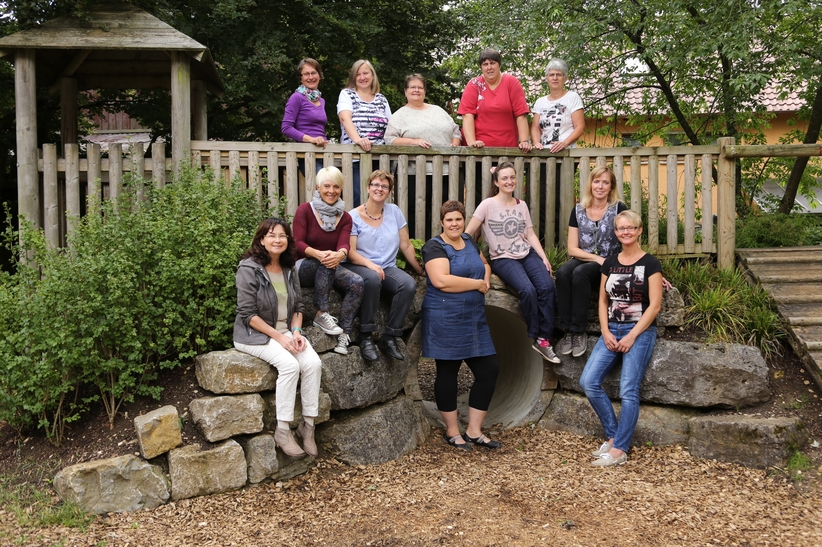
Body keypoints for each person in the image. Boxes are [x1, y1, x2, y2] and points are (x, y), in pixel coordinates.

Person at [233, 218, 322, 459]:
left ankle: (308, 426)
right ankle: (282, 432)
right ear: (261, 240)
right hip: (255, 334)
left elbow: (298, 306)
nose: (277, 240)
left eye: (282, 236)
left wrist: (296, 332)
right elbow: (247, 314)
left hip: (286, 332)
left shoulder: (289, 268)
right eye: (271, 235)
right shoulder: (248, 268)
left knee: (313, 363)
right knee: (290, 365)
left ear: (287, 240)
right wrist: (280, 338)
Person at [580, 210, 663, 467]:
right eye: (620, 228)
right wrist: (605, 331)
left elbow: (655, 306)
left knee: (629, 390)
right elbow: (604, 299)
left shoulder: (650, 263)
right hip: (612, 329)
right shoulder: (610, 262)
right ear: (616, 232)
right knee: (588, 381)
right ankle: (614, 436)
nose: (625, 232)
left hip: (639, 333)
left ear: (639, 231)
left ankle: (620, 450)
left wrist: (632, 335)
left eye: (630, 228)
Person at [422, 200, 500, 451]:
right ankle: (452, 431)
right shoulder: (434, 246)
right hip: (446, 316)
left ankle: (475, 431)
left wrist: (485, 280)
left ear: (463, 220)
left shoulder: (469, 240)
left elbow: (485, 265)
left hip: (474, 318)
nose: (454, 224)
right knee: (448, 373)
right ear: (442, 222)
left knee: (489, 370)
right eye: (449, 220)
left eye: (458, 219)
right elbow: (441, 281)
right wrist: (476, 285)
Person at [466, 161, 560, 364]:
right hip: (502, 258)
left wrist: (544, 257)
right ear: (497, 182)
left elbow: (530, 234)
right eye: (504, 178)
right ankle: (534, 333)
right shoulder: (487, 204)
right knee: (527, 290)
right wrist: (480, 259)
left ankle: (544, 339)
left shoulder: (521, 205)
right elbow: (467, 234)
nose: (509, 181)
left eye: (512, 177)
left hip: (526, 253)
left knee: (546, 286)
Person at [346, 170, 424, 361]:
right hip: (359, 265)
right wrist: (370, 265)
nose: (379, 189)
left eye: (384, 186)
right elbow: (350, 251)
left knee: (408, 284)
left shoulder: (394, 212)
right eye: (375, 184)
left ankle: (389, 337)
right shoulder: (353, 216)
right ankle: (366, 337)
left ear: (388, 191)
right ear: (368, 187)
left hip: (387, 267)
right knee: (372, 279)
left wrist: (420, 269)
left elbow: (405, 244)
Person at [555, 166, 627, 358]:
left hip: (609, 263)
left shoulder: (618, 209)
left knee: (580, 273)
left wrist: (645, 269)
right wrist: (596, 258)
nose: (600, 186)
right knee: (563, 273)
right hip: (586, 258)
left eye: (605, 182)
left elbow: (629, 237)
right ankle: (567, 330)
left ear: (611, 187)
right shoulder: (578, 210)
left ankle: (579, 331)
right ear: (590, 184)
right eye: (596, 181)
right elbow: (572, 249)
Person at [293, 166, 364, 356]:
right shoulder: (305, 210)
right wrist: (318, 253)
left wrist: (340, 254)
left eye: (336, 187)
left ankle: (344, 335)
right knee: (326, 260)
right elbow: (297, 243)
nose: (331, 191)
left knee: (357, 282)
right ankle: (321, 314)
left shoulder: (346, 217)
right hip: (302, 267)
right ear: (318, 187)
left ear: (341, 189)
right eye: (326, 186)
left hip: (328, 264)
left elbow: (344, 245)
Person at [337, 60, 392, 206]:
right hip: (355, 158)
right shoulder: (347, 94)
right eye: (358, 74)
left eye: (365, 73)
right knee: (357, 196)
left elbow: (391, 127)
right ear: (353, 78)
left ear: (372, 75)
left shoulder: (381, 99)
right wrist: (358, 140)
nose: (362, 77)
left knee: (380, 198)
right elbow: (344, 118)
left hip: (380, 159)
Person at [458, 48, 532, 151]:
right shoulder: (474, 84)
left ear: (499, 65)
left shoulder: (512, 83)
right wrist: (471, 143)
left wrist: (524, 141)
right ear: (481, 67)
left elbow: (521, 114)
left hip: (508, 150)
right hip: (479, 151)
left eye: (492, 63)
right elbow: (467, 115)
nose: (489, 67)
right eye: (485, 64)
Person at [385, 74, 461, 148]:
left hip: (447, 159)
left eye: (420, 88)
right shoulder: (399, 115)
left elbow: (456, 132)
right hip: (414, 160)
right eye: (412, 87)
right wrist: (414, 142)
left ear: (424, 91)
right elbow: (389, 139)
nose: (416, 90)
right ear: (405, 91)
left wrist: (454, 146)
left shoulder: (438, 110)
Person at [281, 58, 328, 174]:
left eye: (314, 73)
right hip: (308, 155)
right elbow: (286, 128)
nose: (311, 77)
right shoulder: (297, 98)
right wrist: (311, 139)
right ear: (300, 78)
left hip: (325, 153)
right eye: (306, 74)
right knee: (323, 187)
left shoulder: (321, 101)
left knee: (329, 190)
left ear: (319, 75)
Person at [530, 58, 585, 153]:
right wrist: (536, 143)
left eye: (558, 74)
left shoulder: (573, 97)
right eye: (551, 75)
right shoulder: (540, 102)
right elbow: (535, 127)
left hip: (567, 153)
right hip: (544, 153)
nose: (555, 78)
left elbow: (580, 126)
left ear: (565, 78)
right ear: (547, 78)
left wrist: (564, 143)